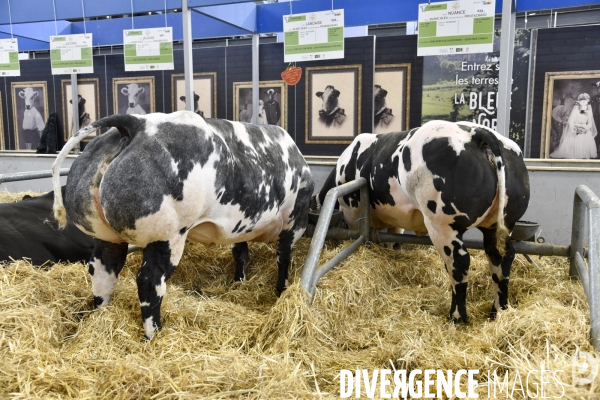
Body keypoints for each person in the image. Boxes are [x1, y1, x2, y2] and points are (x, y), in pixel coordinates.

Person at [550, 93, 598, 159]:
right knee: (577, 136)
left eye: (585, 104)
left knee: (585, 136)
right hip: (575, 129)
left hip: (585, 130)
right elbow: (570, 122)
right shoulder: (575, 112)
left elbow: (590, 125)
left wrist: (584, 128)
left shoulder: (588, 113)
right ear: (579, 104)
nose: (584, 106)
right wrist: (577, 127)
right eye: (582, 104)